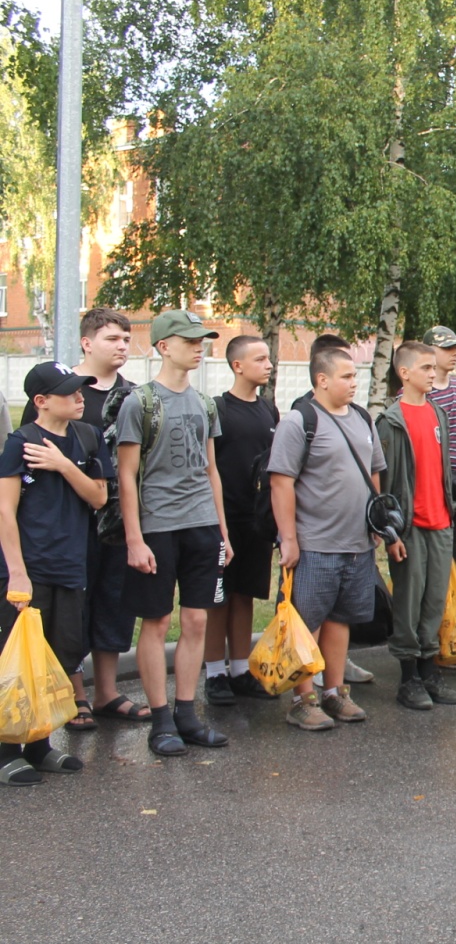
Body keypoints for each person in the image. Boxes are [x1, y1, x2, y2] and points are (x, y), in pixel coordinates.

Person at [117, 310, 233, 757]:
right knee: (158, 620)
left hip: (201, 525)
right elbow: (127, 476)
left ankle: (187, 713)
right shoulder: (141, 402)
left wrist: (222, 531)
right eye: (189, 340)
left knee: (198, 619)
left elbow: (211, 470)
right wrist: (134, 538)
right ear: (163, 346)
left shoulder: (205, 403)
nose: (198, 346)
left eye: (201, 339)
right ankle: (160, 718)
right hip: (158, 527)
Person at [21, 309, 144, 727]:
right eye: (112, 338)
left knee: (113, 602)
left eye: (127, 339)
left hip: (116, 521)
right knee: (71, 610)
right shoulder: (59, 391)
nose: (122, 346)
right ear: (87, 343)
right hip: (67, 528)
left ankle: (107, 691)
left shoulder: (134, 395)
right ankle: (75, 694)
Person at [0, 362, 114, 785]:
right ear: (41, 401)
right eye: (69, 392)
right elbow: (4, 511)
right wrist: (16, 573)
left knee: (57, 655)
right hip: (28, 569)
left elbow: (99, 498)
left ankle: (40, 746)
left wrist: (64, 464)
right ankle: (7, 751)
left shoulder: (87, 437)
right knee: (18, 662)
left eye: (81, 390)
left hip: (71, 564)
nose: (80, 397)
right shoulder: (21, 443)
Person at [269, 346, 386, 729]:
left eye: (356, 376)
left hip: (357, 545)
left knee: (340, 621)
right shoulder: (300, 421)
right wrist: (289, 539)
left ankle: (334, 694)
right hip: (315, 544)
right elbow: (281, 482)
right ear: (322, 380)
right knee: (308, 623)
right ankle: (303, 700)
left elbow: (374, 472)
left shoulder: (363, 418)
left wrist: (376, 521)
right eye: (347, 376)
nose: (355, 382)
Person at [377, 341, 456, 711]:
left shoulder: (437, 414)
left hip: (441, 523)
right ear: (405, 373)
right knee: (408, 603)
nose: (434, 373)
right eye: (426, 368)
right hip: (410, 527)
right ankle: (408, 676)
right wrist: (391, 533)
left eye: (434, 368)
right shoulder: (390, 420)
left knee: (433, 602)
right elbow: (383, 483)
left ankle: (430, 670)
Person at [206, 334, 281, 705]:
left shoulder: (269, 410)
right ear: (238, 365)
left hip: (257, 521)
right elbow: (209, 468)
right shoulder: (218, 409)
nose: (268, 365)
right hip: (225, 519)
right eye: (260, 359)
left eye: (268, 359)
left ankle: (239, 669)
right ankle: (214, 673)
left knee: (245, 595)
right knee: (218, 597)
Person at [424, 325, 456, 566]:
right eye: (447, 348)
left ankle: (451, 596)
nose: (454, 353)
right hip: (432, 477)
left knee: (455, 545)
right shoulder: (419, 391)